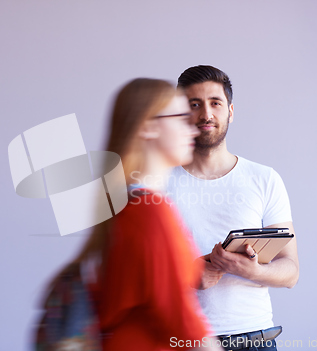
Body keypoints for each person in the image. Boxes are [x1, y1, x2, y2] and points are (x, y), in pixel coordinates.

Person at [43, 78, 222, 351]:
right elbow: (184, 322)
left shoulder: (126, 204)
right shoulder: (149, 210)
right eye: (182, 117)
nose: (193, 128)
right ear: (149, 126)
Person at [166, 66, 299, 351]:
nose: (206, 114)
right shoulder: (156, 183)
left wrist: (251, 271)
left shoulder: (265, 179)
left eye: (215, 103)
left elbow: (290, 271)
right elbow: (130, 270)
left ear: (230, 111)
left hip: (254, 340)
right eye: (194, 104)